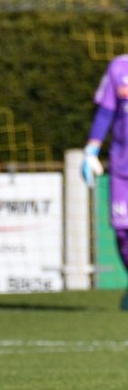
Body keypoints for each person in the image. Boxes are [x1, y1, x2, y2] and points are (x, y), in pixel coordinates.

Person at [81, 54, 128, 309]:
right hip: (122, 166)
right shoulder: (118, 67)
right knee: (122, 231)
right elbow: (106, 111)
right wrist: (91, 150)